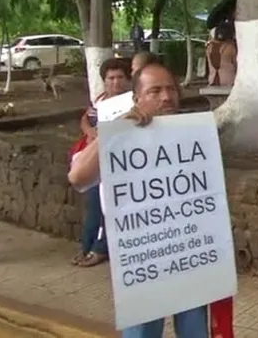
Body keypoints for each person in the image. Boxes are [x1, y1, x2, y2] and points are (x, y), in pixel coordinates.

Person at [68, 61, 213, 337]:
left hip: (189, 256)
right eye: (155, 91)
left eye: (171, 89)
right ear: (136, 99)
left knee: (194, 329)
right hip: (143, 260)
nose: (166, 97)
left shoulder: (191, 135)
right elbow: (77, 177)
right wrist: (118, 129)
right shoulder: (121, 138)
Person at [70, 58, 131, 268]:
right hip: (98, 160)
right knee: (94, 201)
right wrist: (91, 133)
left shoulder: (133, 103)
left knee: (109, 204)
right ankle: (87, 245)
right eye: (111, 78)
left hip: (121, 162)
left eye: (120, 78)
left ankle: (99, 248)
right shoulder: (101, 101)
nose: (116, 83)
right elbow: (86, 119)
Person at [206, 23, 237, 87]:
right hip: (229, 80)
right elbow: (236, 64)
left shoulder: (209, 47)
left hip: (212, 81)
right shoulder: (230, 47)